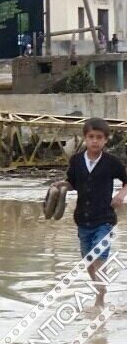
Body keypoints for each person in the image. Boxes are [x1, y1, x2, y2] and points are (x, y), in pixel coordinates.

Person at [58, 118, 127, 307]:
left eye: (99, 137)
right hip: (82, 218)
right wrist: (62, 186)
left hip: (104, 218)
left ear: (106, 140)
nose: (94, 141)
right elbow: (72, 182)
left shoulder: (112, 162)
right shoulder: (77, 160)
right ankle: (99, 286)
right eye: (91, 137)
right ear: (85, 138)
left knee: (99, 255)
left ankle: (101, 295)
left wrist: (121, 194)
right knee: (88, 260)